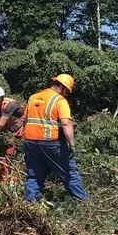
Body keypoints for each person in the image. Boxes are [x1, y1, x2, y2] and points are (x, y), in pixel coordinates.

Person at [22, 74, 88, 203]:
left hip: (31, 143)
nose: (67, 95)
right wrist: (72, 145)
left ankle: (28, 204)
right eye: (67, 92)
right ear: (62, 88)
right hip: (51, 144)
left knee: (35, 176)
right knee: (69, 173)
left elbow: (25, 120)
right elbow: (66, 123)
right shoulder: (59, 100)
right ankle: (83, 203)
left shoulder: (33, 97)